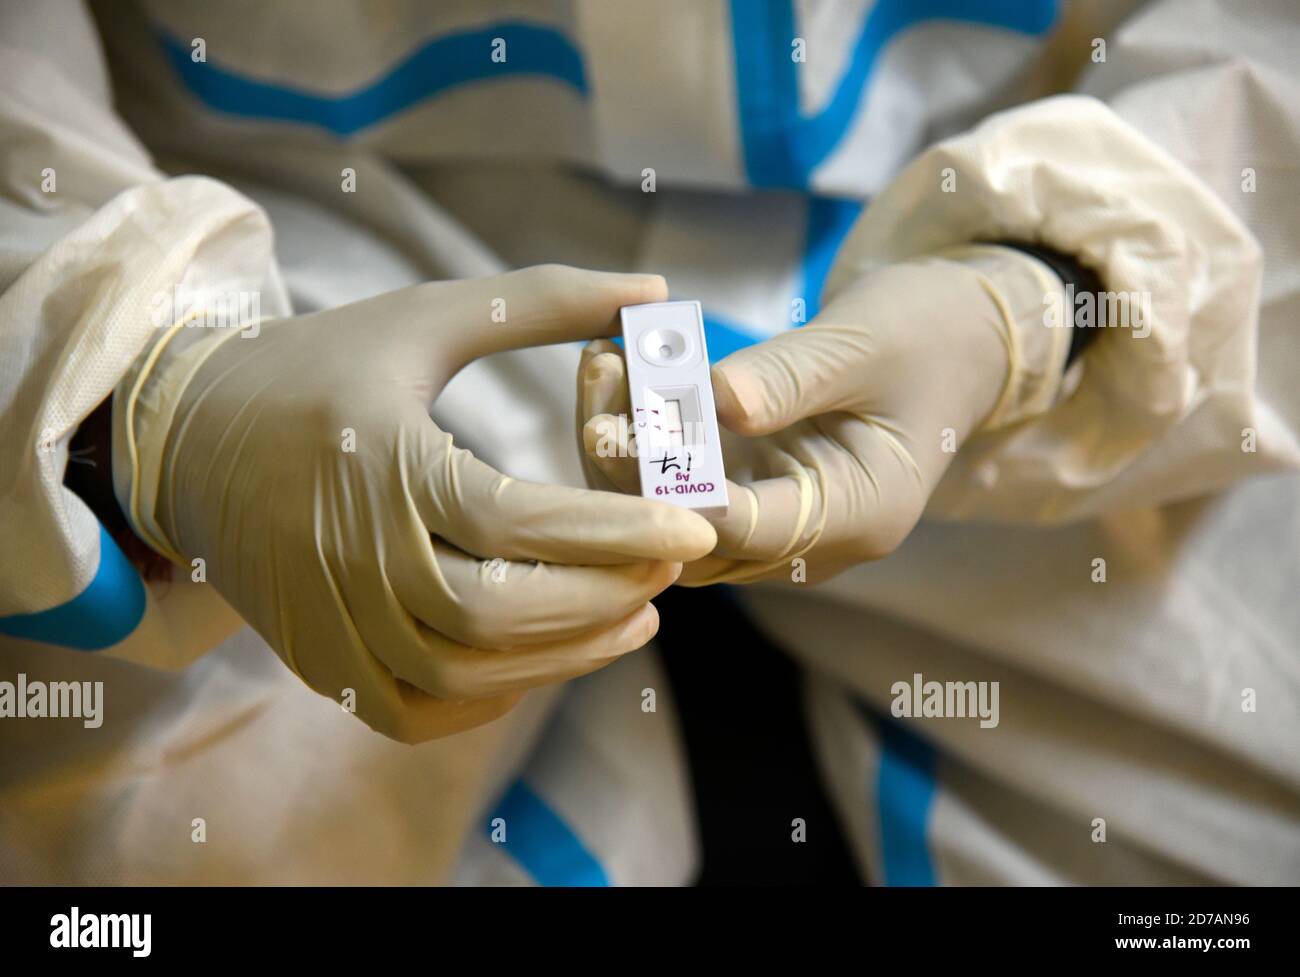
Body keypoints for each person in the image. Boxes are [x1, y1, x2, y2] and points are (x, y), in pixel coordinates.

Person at [1, 0, 1297, 884]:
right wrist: (158, 401)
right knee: (160, 847)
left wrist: (1047, 296)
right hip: (309, 254)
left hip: (1028, 174)